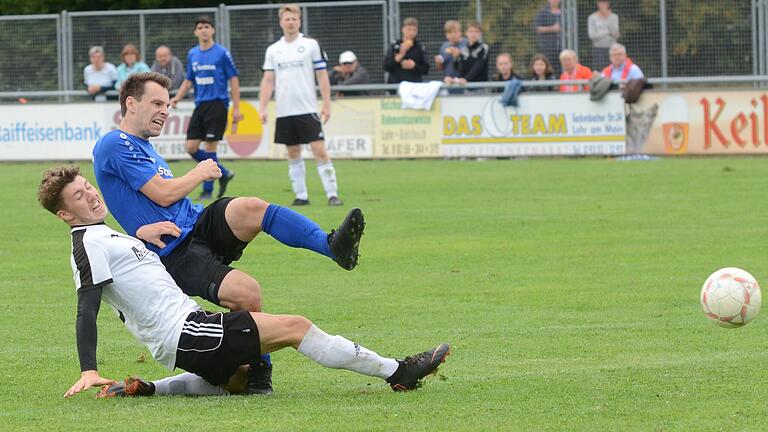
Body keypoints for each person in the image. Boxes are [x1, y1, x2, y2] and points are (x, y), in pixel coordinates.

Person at [37, 166, 451, 398]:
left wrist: (140, 236)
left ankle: (150, 389)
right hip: (187, 331)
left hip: (184, 336)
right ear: (65, 215)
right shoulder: (87, 242)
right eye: (78, 197)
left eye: (87, 186)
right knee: (295, 328)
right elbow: (86, 307)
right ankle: (398, 371)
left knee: (237, 381)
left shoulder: (105, 235)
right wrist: (89, 369)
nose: (90, 195)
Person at [92, 72, 367, 395]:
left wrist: (137, 226)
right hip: (174, 251)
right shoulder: (115, 143)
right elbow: (163, 194)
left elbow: (124, 200)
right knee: (248, 294)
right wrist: (199, 171)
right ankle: (258, 370)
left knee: (251, 208)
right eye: (156, 103)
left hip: (195, 223)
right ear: (130, 103)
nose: (165, 111)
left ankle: (331, 246)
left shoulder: (143, 146)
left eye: (167, 104)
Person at [259, 4, 342, 207]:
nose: (291, 22)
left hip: (308, 109)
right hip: (285, 111)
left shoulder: (311, 45)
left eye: (294, 18)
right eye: (287, 19)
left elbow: (322, 75)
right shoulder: (273, 50)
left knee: (319, 150)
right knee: (293, 152)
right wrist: (262, 107)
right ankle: (301, 195)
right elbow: (268, 80)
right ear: (281, 22)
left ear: (299, 20)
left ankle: (332, 194)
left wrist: (327, 104)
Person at [170, 16, 239, 201]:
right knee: (191, 147)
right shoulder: (193, 54)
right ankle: (222, 172)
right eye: (200, 27)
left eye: (207, 26)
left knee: (210, 147)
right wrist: (177, 97)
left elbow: (233, 79)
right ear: (196, 32)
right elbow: (189, 80)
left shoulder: (222, 53)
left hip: (217, 104)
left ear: (213, 30)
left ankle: (207, 190)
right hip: (200, 105)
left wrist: (237, 108)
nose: (204, 30)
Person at [384, 17, 430, 85]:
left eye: (414, 30)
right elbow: (386, 66)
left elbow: (426, 69)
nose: (411, 32)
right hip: (396, 86)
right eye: (409, 29)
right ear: (403, 29)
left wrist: (414, 66)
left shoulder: (419, 47)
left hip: (414, 86)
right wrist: (400, 55)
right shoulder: (395, 45)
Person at [587, 0, 619, 70]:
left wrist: (607, 18)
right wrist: (607, 32)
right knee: (599, 70)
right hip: (598, 48)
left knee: (613, 69)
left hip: (612, 48)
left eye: (605, 2)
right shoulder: (592, 18)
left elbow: (616, 34)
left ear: (608, 4)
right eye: (601, 2)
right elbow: (592, 35)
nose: (603, 4)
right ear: (598, 4)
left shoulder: (614, 17)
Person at [456, 22, 490, 86]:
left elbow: (478, 66)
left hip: (481, 87)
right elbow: (460, 69)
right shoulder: (463, 50)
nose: (473, 34)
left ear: (480, 34)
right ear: (466, 33)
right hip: (467, 87)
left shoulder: (483, 48)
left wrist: (466, 79)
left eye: (476, 32)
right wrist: (455, 58)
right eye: (471, 31)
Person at [533, 0, 562, 75]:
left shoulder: (564, 12)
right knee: (549, 67)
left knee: (562, 67)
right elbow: (537, 28)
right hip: (548, 48)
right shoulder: (542, 12)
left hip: (563, 47)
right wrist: (552, 28)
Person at [435, 20, 467, 86]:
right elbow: (440, 68)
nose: (453, 35)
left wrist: (458, 56)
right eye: (450, 32)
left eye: (455, 32)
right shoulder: (444, 47)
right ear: (446, 34)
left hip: (464, 84)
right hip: (448, 83)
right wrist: (438, 62)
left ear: (460, 32)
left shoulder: (467, 44)